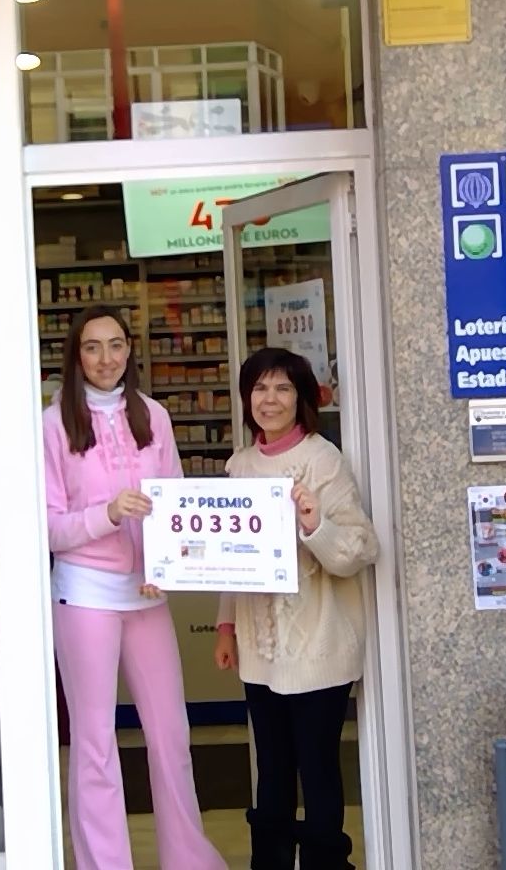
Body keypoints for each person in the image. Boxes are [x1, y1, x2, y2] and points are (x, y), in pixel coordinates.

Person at [44, 306, 224, 870]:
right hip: (86, 592)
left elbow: (174, 502)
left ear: (130, 350)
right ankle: (104, 863)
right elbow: (47, 525)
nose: (106, 359)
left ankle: (189, 859)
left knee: (171, 734)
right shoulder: (52, 424)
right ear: (76, 355)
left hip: (148, 592)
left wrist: (162, 564)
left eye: (116, 345)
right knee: (95, 744)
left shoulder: (155, 415)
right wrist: (106, 513)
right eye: (92, 347)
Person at [214, 348, 377, 870]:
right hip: (261, 650)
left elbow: (359, 549)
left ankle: (327, 863)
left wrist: (313, 523)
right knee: (273, 768)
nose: (270, 399)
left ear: (302, 398)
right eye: (260, 388)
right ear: (246, 398)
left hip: (319, 646)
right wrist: (225, 628)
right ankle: (272, 861)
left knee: (318, 767)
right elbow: (231, 561)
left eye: (283, 388)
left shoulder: (321, 459)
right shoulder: (239, 464)